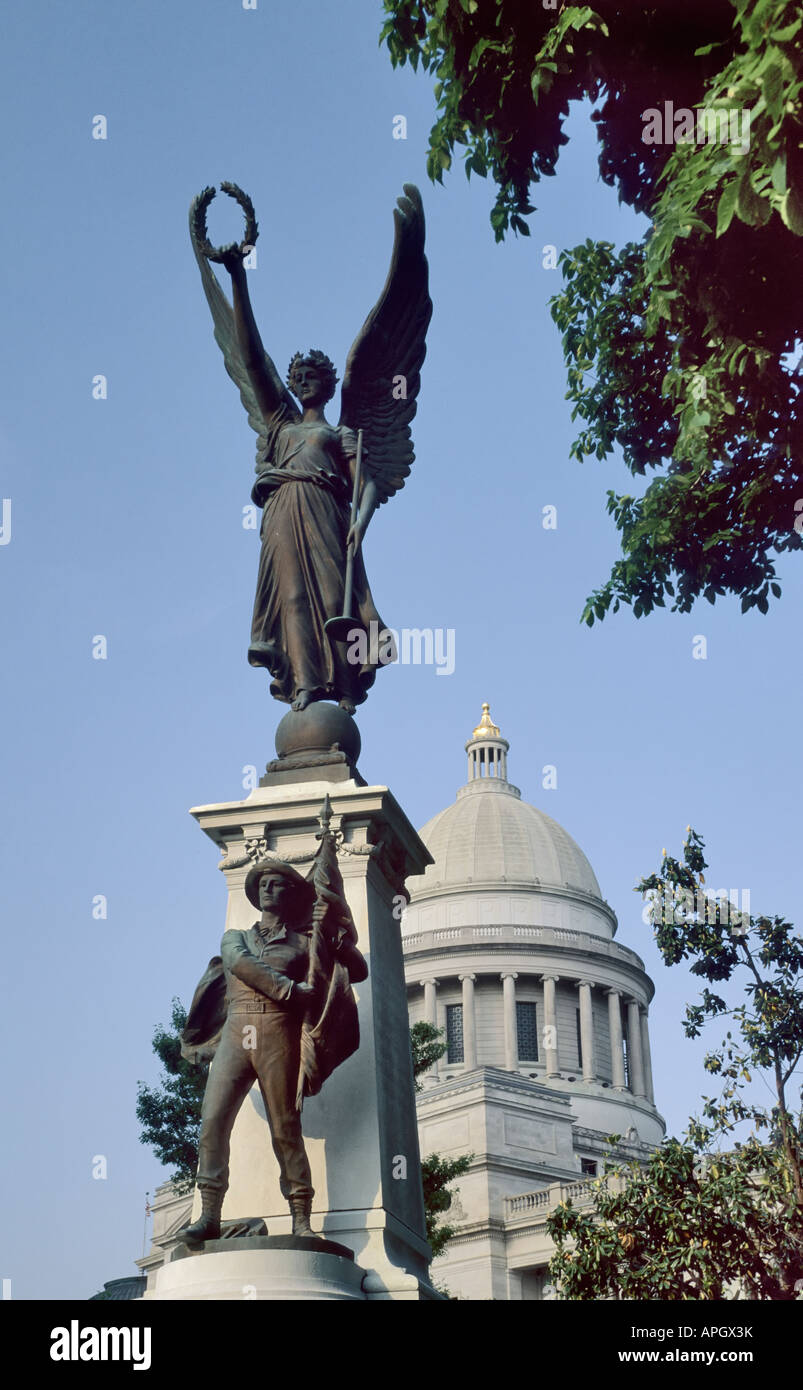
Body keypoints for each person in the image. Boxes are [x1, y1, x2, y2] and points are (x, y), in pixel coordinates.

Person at [179, 858, 367, 1243]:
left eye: (278, 884)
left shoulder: (304, 943)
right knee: (213, 1120)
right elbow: (239, 964)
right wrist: (291, 990)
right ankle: (210, 1214)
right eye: (263, 883)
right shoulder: (235, 938)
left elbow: (358, 970)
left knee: (286, 1127)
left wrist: (334, 938)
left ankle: (301, 1217)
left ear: (291, 893)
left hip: (277, 1032)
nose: (268, 889)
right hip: (238, 1032)